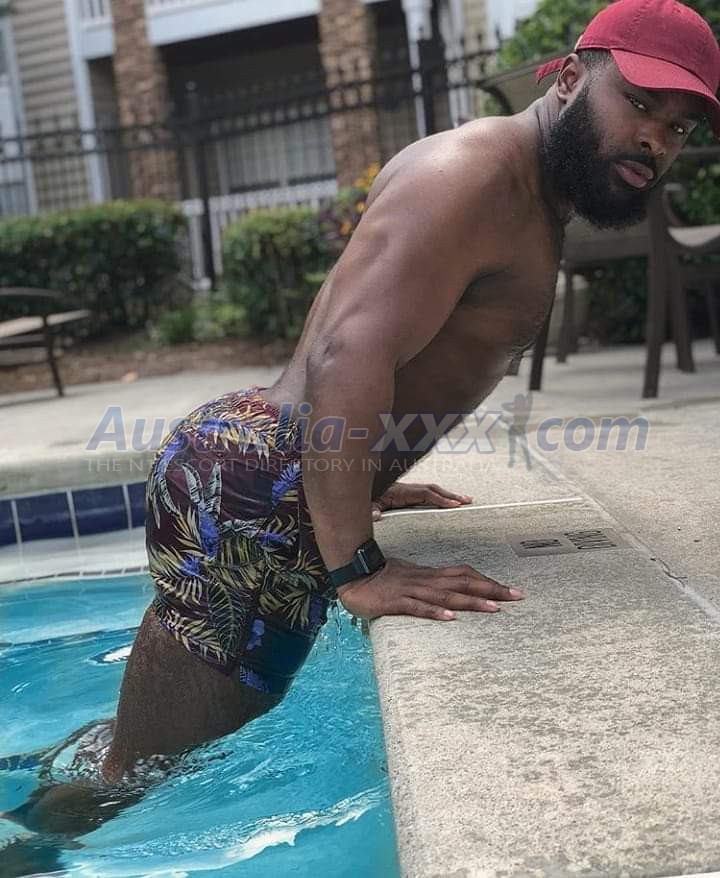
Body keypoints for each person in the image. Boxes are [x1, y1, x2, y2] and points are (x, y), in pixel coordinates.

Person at [7, 0, 719, 844]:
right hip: (263, 504)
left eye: (678, 127)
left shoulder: (516, 182)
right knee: (125, 792)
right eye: (638, 103)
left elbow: (383, 334)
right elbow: (348, 350)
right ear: (568, 78)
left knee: (134, 753)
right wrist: (356, 568)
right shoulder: (477, 176)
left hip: (256, 477)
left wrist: (366, 467)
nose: (654, 139)